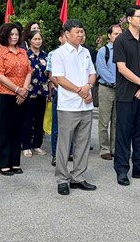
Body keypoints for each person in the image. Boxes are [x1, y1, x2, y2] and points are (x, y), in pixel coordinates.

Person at [50, 20, 98, 195]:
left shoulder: (85, 52)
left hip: (85, 105)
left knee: (83, 143)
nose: (80, 35)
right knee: (64, 144)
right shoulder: (59, 54)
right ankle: (62, 178)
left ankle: (78, 176)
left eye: (82, 32)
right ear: (67, 34)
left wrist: (88, 88)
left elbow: (92, 74)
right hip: (68, 105)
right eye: (77, 32)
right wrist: (80, 90)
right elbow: (59, 79)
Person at [112, 5, 140, 186]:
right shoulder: (121, 40)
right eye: (139, 16)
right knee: (123, 134)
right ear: (129, 19)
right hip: (126, 95)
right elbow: (121, 68)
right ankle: (122, 170)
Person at [0, 22, 32, 175]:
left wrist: (24, 90)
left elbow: (29, 71)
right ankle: (3, 164)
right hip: (5, 94)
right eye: (11, 34)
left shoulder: (22, 52)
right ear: (5, 36)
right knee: (4, 130)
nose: (14, 37)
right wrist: (16, 89)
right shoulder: (1, 52)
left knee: (17, 128)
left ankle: (15, 162)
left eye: (16, 34)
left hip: (21, 95)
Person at [95, 23, 121, 160]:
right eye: (115, 34)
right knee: (104, 121)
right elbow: (101, 70)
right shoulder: (103, 51)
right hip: (106, 88)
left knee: (117, 121)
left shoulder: (124, 50)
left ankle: (115, 148)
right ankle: (104, 149)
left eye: (120, 34)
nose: (118, 36)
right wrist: (115, 82)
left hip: (121, 90)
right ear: (110, 36)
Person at [23, 30, 49, 157]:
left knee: (39, 120)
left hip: (42, 92)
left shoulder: (45, 55)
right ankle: (26, 145)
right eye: (35, 39)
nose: (38, 41)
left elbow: (49, 74)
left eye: (39, 39)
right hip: (29, 92)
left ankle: (37, 145)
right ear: (30, 41)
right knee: (27, 119)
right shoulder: (25, 55)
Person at [47, 32, 66, 165]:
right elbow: (51, 76)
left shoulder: (82, 52)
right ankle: (55, 154)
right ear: (60, 38)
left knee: (72, 126)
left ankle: (69, 152)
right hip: (61, 92)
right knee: (57, 125)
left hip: (76, 94)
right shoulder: (54, 54)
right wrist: (65, 87)